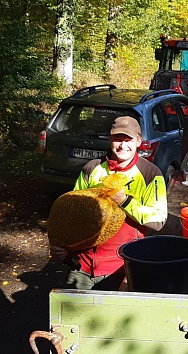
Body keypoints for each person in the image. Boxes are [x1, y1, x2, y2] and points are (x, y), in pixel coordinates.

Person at [50, 116, 168, 290]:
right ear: (109, 139)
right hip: (83, 265)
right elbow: (72, 214)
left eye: (128, 140)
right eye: (117, 139)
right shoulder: (92, 168)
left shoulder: (150, 173)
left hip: (120, 267)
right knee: (74, 315)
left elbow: (159, 220)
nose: (122, 145)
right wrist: (63, 248)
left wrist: (125, 201)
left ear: (138, 142)